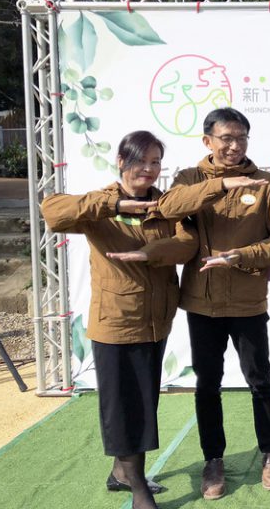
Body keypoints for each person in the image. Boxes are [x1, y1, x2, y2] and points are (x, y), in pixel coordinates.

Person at [41, 131, 198, 509]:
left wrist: (151, 253)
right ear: (121, 162)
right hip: (115, 322)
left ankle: (119, 472)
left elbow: (188, 242)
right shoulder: (99, 207)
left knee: (142, 400)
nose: (149, 169)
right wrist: (115, 205)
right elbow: (52, 212)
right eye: (141, 161)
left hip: (156, 321)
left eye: (156, 162)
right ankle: (138, 485)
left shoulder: (165, 204)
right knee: (123, 405)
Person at [156, 107, 270, 500]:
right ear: (208, 142)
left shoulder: (266, 184)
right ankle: (213, 461)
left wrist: (246, 255)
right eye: (226, 139)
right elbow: (168, 207)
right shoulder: (189, 179)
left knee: (259, 380)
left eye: (241, 139)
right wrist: (218, 187)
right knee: (207, 384)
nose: (235, 146)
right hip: (202, 303)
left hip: (248, 300)